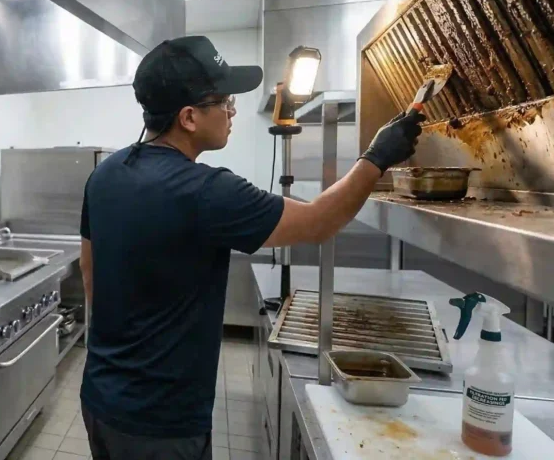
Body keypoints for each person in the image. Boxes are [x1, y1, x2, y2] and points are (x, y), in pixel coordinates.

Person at [78, 36, 424, 459]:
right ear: (188, 117)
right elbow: (319, 222)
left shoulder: (106, 174)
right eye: (224, 100)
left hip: (99, 397)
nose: (232, 109)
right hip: (162, 422)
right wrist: (377, 155)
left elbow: (89, 271)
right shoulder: (206, 191)